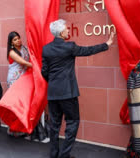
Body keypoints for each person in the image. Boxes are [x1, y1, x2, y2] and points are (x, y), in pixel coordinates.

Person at [41, 19, 114, 158]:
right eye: (67, 29)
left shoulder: (46, 49)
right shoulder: (69, 47)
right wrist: (107, 44)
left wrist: (53, 83)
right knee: (73, 122)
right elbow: (87, 51)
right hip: (68, 93)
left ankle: (54, 154)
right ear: (62, 32)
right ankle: (64, 155)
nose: (68, 30)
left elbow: (44, 71)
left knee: (54, 125)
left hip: (53, 93)